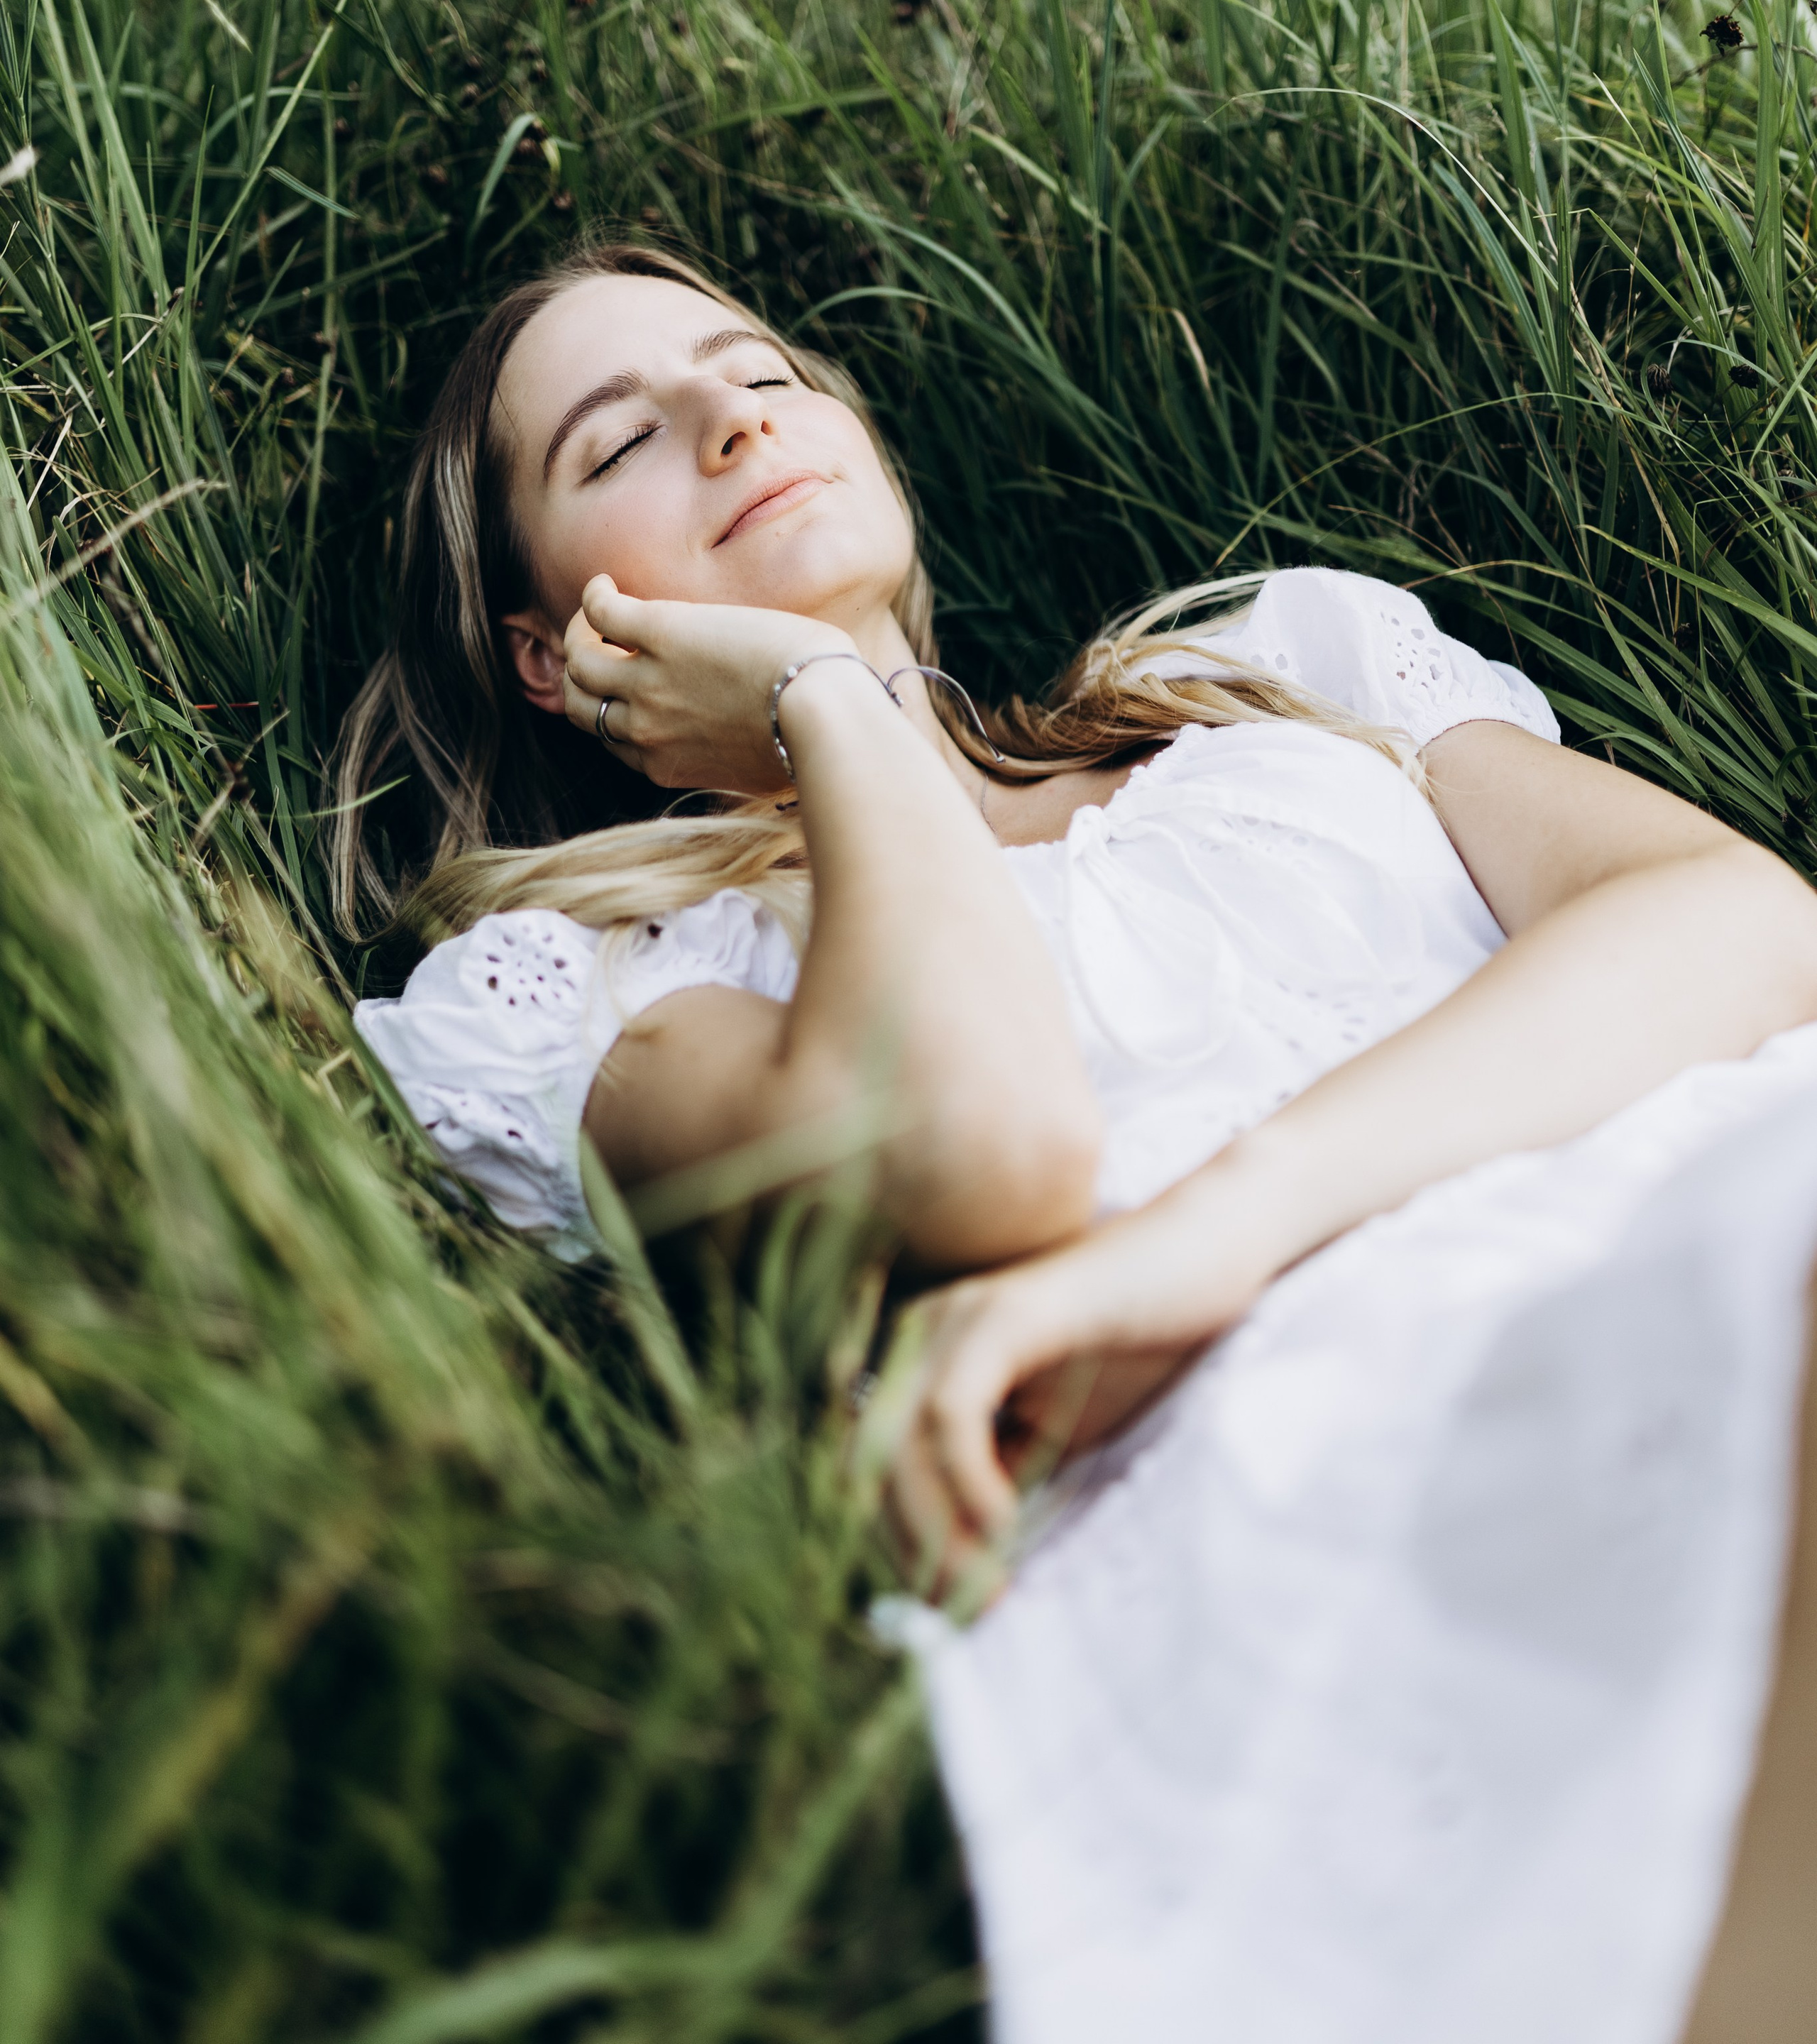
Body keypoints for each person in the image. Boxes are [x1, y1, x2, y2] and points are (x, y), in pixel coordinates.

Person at [343, 240, 1817, 2044]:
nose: (734, 416)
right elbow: (990, 1148)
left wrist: (1216, 1220)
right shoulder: (595, 980)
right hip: (1332, 1416)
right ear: (553, 654)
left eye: (757, 368)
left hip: (1675, 1181)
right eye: (619, 442)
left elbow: (1743, 924)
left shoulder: (1264, 670)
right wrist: (834, 711)